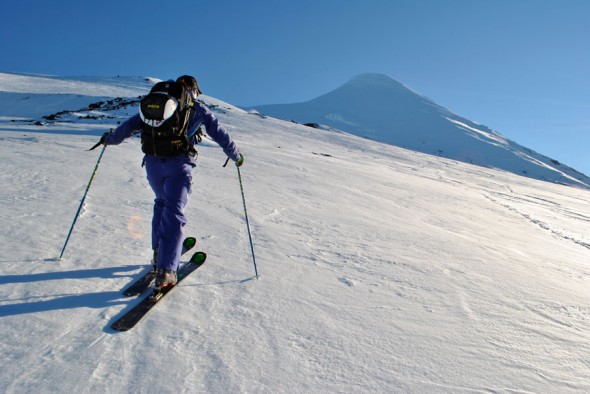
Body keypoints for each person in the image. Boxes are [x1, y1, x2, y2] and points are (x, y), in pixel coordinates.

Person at [97, 75, 244, 290]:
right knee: (174, 212)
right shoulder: (197, 108)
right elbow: (219, 134)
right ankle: (167, 270)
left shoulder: (156, 105)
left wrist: (108, 139)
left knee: (162, 203)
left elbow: (127, 128)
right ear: (194, 90)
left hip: (153, 164)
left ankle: (158, 252)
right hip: (179, 164)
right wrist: (236, 156)